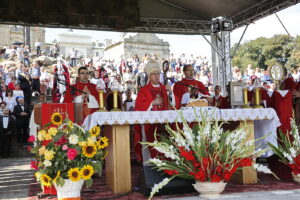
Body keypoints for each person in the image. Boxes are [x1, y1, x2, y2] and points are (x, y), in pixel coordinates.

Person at [134, 59, 169, 163]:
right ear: (149, 75)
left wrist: (170, 92)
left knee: (166, 147)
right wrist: (152, 103)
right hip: (150, 125)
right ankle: (152, 167)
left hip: (164, 124)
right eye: (154, 74)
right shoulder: (144, 90)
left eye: (158, 73)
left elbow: (169, 105)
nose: (157, 76)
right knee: (152, 149)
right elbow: (138, 106)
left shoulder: (163, 88)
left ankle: (167, 167)